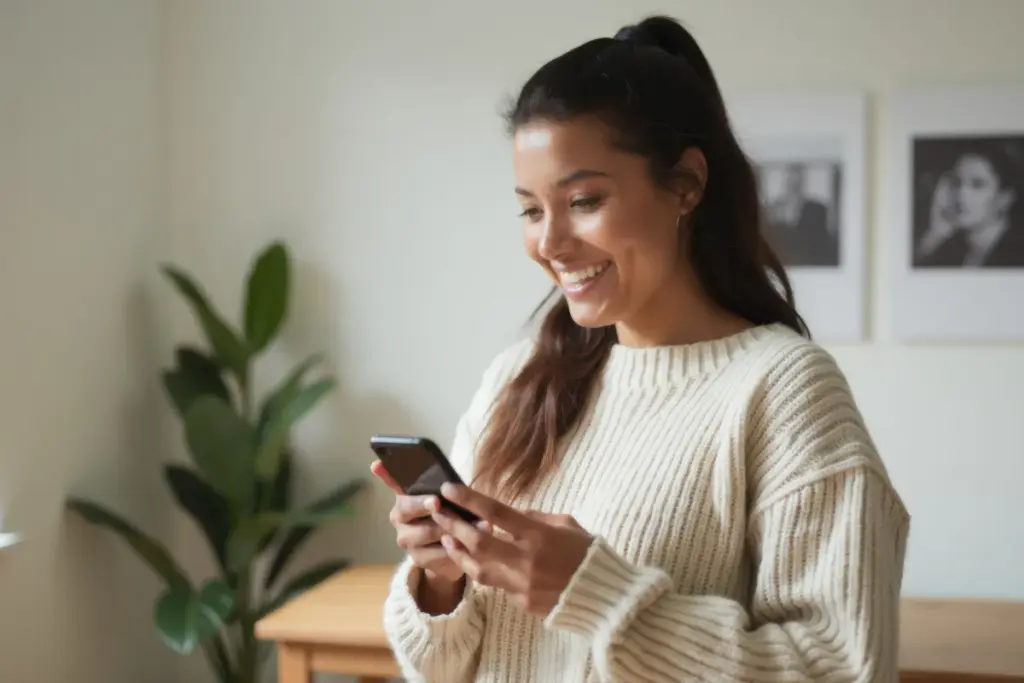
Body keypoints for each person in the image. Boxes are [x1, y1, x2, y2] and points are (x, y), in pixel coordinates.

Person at [372, 15, 909, 683]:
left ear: (685, 184)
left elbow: (844, 668)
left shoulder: (781, 389)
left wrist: (599, 594)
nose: (550, 242)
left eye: (584, 199)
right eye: (532, 210)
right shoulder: (517, 380)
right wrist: (439, 577)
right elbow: (439, 667)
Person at [915, 146, 1023, 268]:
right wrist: (934, 236)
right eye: (956, 183)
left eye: (977, 185)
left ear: (1004, 198)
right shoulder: (949, 248)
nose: (960, 196)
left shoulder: (1017, 253)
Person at [763, 163, 840, 266]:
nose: (794, 185)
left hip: (810, 262)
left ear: (802, 183)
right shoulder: (773, 210)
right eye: (791, 181)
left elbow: (822, 244)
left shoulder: (817, 209)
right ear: (785, 183)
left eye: (797, 181)